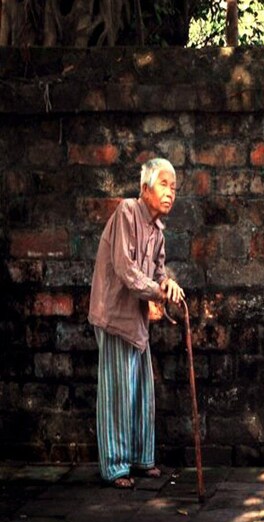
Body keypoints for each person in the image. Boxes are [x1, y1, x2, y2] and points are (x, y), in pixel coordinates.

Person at [89, 157, 185, 488]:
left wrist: (168, 284)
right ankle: (115, 466)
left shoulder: (158, 231)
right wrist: (158, 289)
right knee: (117, 392)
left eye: (174, 187)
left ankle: (142, 459)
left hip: (137, 321)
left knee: (141, 391)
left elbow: (159, 273)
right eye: (163, 184)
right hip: (114, 314)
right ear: (145, 189)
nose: (170, 192)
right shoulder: (127, 212)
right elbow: (126, 269)